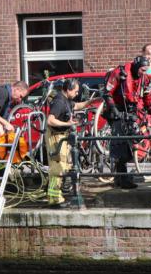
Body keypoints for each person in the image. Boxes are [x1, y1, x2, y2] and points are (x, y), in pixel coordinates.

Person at [103, 56, 151, 189]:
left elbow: (148, 95)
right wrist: (114, 109)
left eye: (146, 70)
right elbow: (107, 92)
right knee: (121, 145)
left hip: (132, 111)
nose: (144, 72)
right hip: (118, 111)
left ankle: (121, 177)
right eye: (142, 70)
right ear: (137, 67)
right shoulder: (119, 73)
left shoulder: (145, 78)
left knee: (133, 141)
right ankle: (121, 178)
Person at [45, 78, 92, 207]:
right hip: (55, 136)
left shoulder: (67, 100)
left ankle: (55, 194)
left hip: (62, 136)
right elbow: (50, 120)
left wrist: (90, 102)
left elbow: (76, 106)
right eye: (76, 91)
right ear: (69, 89)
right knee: (57, 167)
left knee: (64, 166)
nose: (77, 94)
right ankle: (54, 199)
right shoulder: (59, 101)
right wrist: (67, 123)